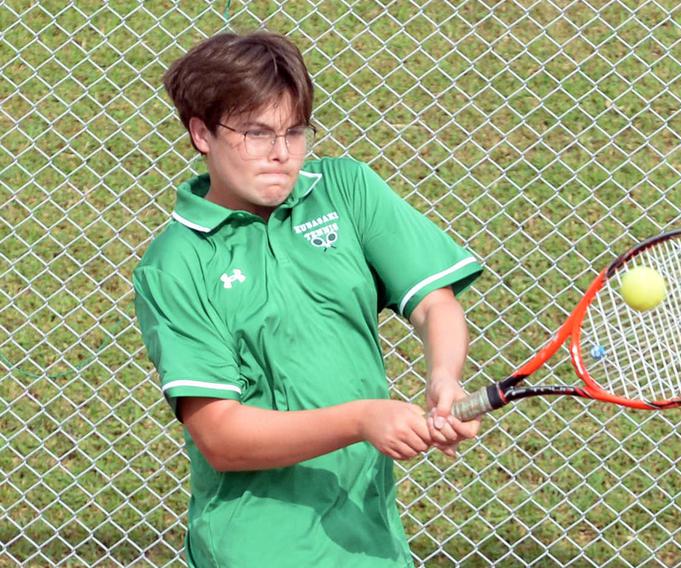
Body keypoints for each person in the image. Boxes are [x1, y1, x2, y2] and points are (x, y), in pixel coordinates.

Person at [132, 30, 483, 567]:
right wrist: (361, 420)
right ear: (202, 134)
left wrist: (444, 376)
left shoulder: (345, 189)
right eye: (256, 133)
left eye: (295, 132)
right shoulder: (175, 264)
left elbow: (436, 303)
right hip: (254, 549)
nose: (280, 154)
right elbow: (220, 437)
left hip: (372, 542)